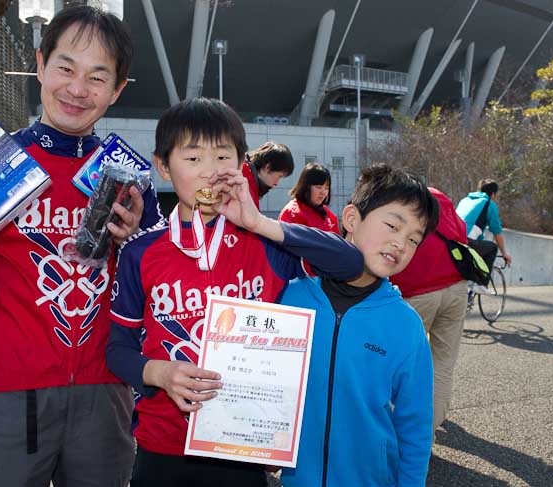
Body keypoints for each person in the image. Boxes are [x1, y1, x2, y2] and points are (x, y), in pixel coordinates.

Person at [0, 5, 164, 487]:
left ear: (115, 90)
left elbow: (159, 290)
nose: (77, 89)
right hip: (8, 390)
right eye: (65, 68)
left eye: (97, 77)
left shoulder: (130, 182)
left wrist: (136, 239)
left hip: (105, 389)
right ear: (39, 65)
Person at [105, 97, 363, 487]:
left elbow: (350, 264)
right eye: (193, 160)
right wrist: (159, 372)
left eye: (223, 158)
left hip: (245, 446)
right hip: (163, 446)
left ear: (243, 163)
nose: (210, 173)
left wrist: (259, 222)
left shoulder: (266, 243)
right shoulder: (141, 251)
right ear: (162, 166)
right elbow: (117, 349)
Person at [280, 164, 439, 487]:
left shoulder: (406, 325)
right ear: (351, 219)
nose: (400, 244)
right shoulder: (291, 299)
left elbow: (415, 426)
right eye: (393, 226)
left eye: (413, 239)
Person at [390, 187, 468, 432]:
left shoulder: (403, 203)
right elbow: (462, 235)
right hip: (455, 289)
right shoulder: (443, 201)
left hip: (417, 293)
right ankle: (427, 431)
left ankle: (403, 433)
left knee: (402, 364)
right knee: (443, 364)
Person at [456, 178, 512, 273]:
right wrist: (504, 253)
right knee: (492, 248)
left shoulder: (465, 200)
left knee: (480, 248)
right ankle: (481, 286)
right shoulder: (488, 203)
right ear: (493, 194)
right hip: (466, 242)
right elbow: (497, 233)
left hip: (452, 239)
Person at [279, 162, 339, 234]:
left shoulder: (329, 216)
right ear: (305, 187)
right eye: (318, 187)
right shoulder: (293, 213)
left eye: (326, 188)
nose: (323, 192)